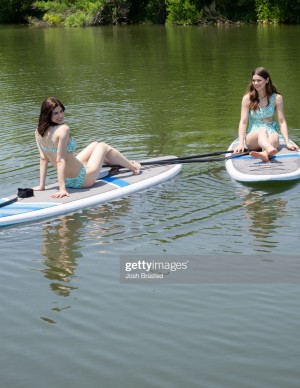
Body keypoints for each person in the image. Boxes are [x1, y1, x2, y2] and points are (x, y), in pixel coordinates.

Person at [33, 97, 141, 198]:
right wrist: (62, 189)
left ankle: (113, 163)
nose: (60, 115)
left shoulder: (38, 132)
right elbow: (60, 160)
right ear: (47, 115)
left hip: (67, 178)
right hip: (82, 179)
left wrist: (42, 186)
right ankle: (134, 168)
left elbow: (43, 159)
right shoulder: (63, 129)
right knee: (102, 146)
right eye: (55, 113)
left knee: (94, 145)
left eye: (61, 111)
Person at [234, 67, 298, 162]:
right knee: (262, 131)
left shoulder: (277, 98)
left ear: (267, 80)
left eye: (259, 80)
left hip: (271, 132)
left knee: (270, 135)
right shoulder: (247, 99)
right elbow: (243, 122)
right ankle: (269, 148)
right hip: (253, 136)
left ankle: (265, 153)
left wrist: (287, 142)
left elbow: (282, 121)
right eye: (253, 80)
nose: (255, 83)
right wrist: (240, 143)